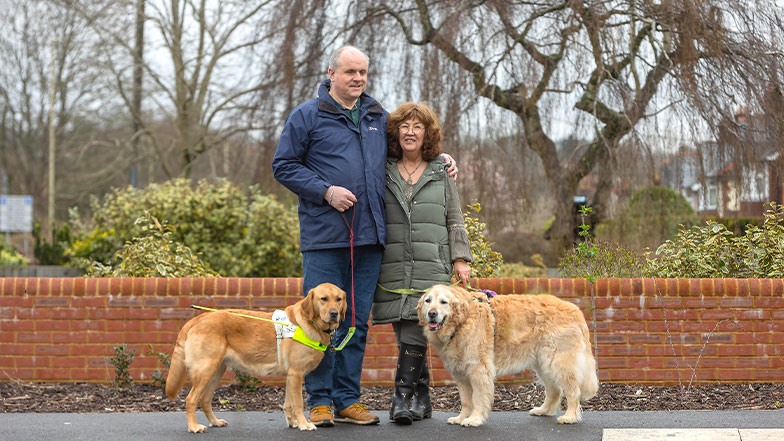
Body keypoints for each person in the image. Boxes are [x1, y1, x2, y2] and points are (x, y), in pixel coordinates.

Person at [272, 46, 457, 427]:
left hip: (370, 240)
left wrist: (442, 157)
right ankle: (320, 401)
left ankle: (346, 400)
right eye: (350, 71)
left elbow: (410, 144)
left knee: (355, 322)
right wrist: (325, 191)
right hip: (325, 239)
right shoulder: (308, 115)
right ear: (331, 73)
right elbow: (284, 166)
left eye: (363, 72)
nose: (357, 78)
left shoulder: (377, 116)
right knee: (316, 322)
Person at [371, 102, 473, 425]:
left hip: (432, 264)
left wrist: (461, 258)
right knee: (406, 335)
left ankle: (401, 399)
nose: (410, 132)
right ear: (396, 133)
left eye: (418, 127)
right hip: (392, 265)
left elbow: (454, 218)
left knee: (417, 333)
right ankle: (424, 398)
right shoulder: (382, 169)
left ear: (427, 134)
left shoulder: (441, 171)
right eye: (404, 126)